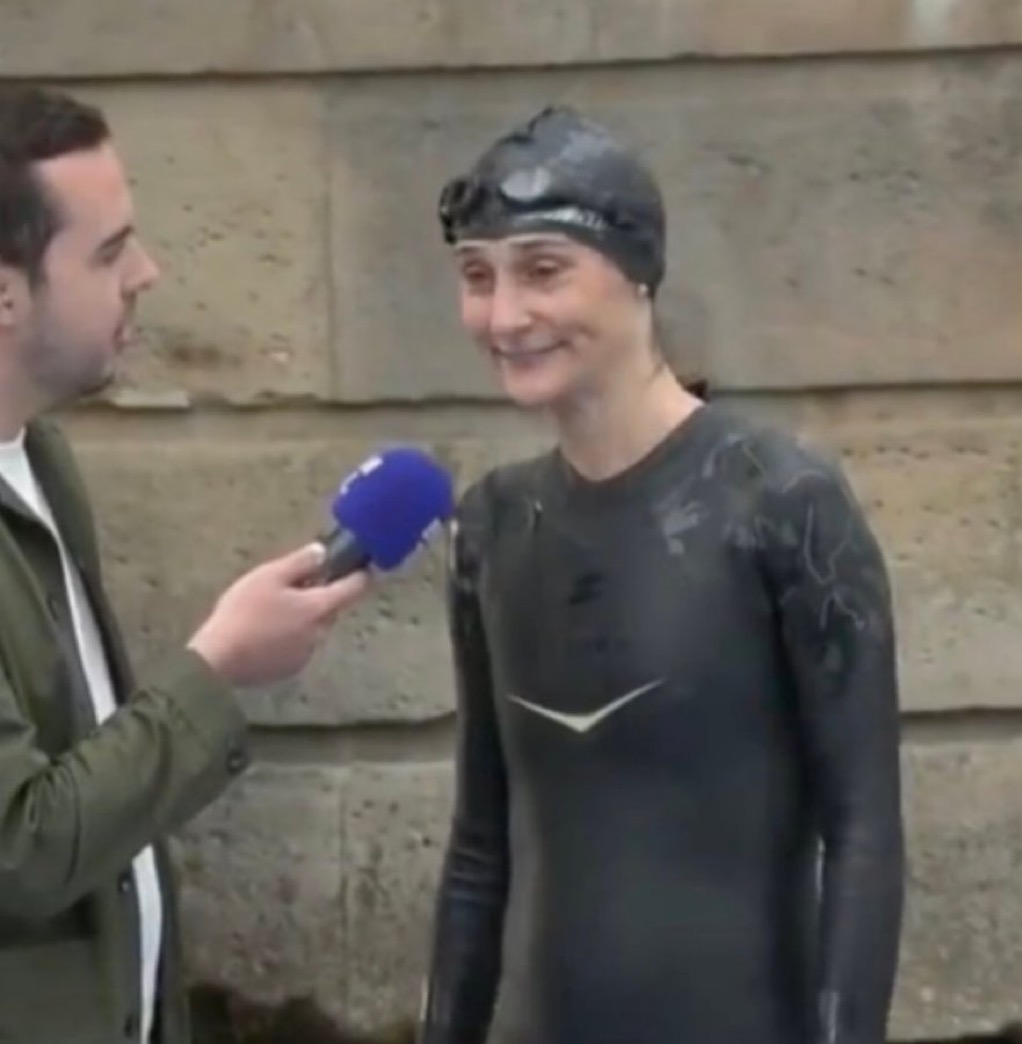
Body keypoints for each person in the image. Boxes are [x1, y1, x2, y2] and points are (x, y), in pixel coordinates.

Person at [417, 105, 905, 1044]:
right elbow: (482, 851)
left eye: (543, 271)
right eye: (478, 278)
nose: (504, 315)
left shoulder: (780, 502)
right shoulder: (494, 523)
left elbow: (863, 840)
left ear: (638, 274)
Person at [0, 84, 370, 1043]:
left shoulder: (40, 460)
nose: (148, 273)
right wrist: (218, 671)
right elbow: (21, 849)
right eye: (110, 251)